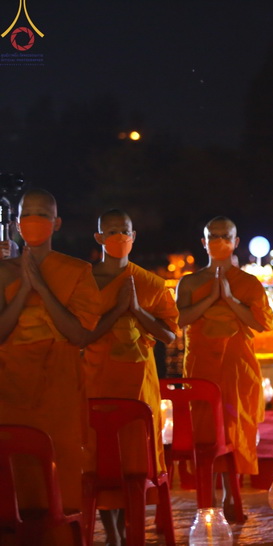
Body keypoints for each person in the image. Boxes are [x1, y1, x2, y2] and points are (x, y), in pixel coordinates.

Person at [0, 189, 99, 538]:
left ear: (56, 223)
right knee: (14, 475)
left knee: (60, 473)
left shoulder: (77, 271)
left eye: (42, 215)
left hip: (59, 388)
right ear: (16, 222)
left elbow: (80, 335)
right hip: (10, 387)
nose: (34, 221)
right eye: (27, 214)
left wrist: (41, 287)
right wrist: (23, 288)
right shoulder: (2, 271)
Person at [83, 209, 179, 545]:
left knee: (134, 461)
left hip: (139, 386)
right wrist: (115, 312)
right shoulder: (85, 282)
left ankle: (128, 528)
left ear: (133, 236)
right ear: (98, 238)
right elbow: (79, 335)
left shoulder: (151, 283)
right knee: (101, 459)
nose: (118, 237)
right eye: (110, 232)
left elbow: (170, 336)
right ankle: (112, 534)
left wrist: (137, 310)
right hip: (96, 380)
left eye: (123, 231)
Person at [177, 216, 273, 516]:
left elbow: (261, 323)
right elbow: (181, 320)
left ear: (236, 242)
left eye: (225, 236)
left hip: (237, 367)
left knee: (236, 429)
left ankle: (233, 495)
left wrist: (230, 299)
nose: (219, 241)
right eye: (213, 236)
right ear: (203, 242)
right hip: (201, 368)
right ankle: (212, 497)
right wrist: (211, 299)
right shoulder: (190, 282)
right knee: (206, 432)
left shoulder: (248, 283)